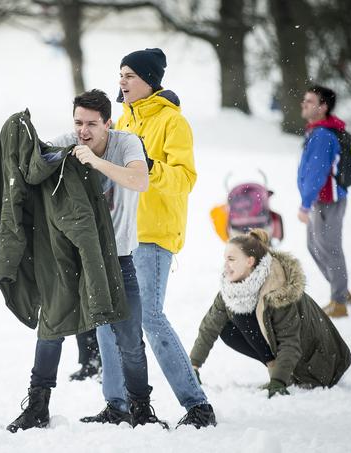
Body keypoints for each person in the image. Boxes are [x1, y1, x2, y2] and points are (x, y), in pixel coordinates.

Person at [7, 89, 165, 432]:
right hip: (72, 257)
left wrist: (94, 161)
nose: (83, 131)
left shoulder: (126, 144)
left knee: (129, 339)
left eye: (92, 124)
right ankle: (37, 405)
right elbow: (30, 170)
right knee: (50, 328)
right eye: (78, 122)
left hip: (118, 258)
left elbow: (140, 180)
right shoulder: (66, 142)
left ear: (108, 123)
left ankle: (140, 408)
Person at [110, 48, 216, 428]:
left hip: (154, 234)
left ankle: (198, 406)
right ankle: (118, 404)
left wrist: (150, 167)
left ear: (149, 81)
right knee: (111, 318)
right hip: (121, 233)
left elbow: (185, 179)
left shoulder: (173, 122)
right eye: (120, 75)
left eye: (129, 76)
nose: (122, 82)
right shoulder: (122, 120)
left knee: (150, 318)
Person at [190, 229, 351, 396]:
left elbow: (290, 342)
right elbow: (209, 326)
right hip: (297, 356)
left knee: (241, 316)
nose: (226, 265)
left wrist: (278, 381)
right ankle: (277, 368)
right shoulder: (234, 287)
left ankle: (283, 373)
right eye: (225, 259)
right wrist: (192, 366)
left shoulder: (277, 289)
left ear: (250, 261)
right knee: (229, 326)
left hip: (322, 363)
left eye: (231, 259)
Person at [297, 85, 351, 318]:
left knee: (329, 246)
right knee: (314, 245)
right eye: (304, 100)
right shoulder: (317, 130)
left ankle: (339, 301)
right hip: (321, 200)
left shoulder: (322, 135)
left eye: (309, 101)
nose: (304, 104)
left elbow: (317, 173)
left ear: (323, 107)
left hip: (328, 201)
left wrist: (305, 204)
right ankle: (341, 288)